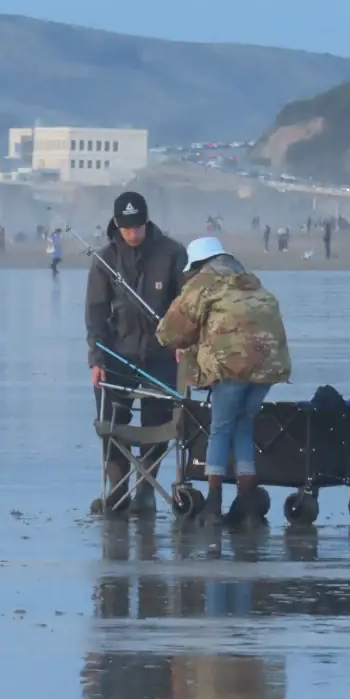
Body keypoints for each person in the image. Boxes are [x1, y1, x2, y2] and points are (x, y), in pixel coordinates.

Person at [155, 237, 292, 524]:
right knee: (243, 426)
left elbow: (170, 332)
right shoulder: (249, 281)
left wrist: (177, 343)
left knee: (220, 429)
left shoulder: (203, 283)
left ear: (199, 264)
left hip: (231, 366)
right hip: (269, 366)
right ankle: (246, 503)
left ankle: (213, 503)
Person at [86, 191, 187, 515]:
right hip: (117, 356)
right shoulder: (105, 260)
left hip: (161, 356)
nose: (134, 233)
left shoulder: (172, 254)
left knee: (157, 423)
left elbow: (186, 305)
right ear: (117, 224)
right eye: (128, 228)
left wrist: (183, 342)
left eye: (139, 226)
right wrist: (96, 359)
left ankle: (146, 490)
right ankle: (117, 491)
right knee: (112, 424)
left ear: (147, 221)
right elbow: (96, 312)